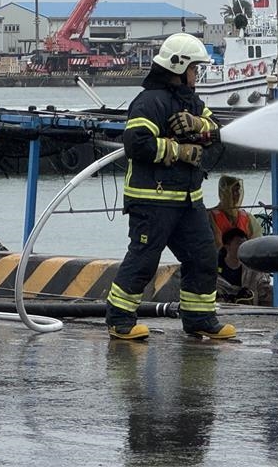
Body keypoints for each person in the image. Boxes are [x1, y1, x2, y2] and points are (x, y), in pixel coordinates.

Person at [105, 32, 236, 341]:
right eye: (194, 69)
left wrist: (197, 124)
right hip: (152, 199)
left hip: (188, 200)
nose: (197, 75)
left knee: (203, 256)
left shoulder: (191, 102)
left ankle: (200, 318)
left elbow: (217, 130)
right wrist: (178, 151)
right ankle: (120, 319)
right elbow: (136, 142)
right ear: (178, 67)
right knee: (144, 259)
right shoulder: (150, 102)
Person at [216, 227, 271, 305]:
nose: (242, 247)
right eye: (238, 243)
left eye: (245, 244)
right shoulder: (213, 272)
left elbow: (265, 292)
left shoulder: (254, 271)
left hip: (252, 315)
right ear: (227, 246)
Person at [208, 175, 263, 249]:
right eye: (232, 191)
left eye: (238, 190)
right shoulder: (210, 216)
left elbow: (257, 242)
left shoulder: (248, 217)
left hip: (242, 258)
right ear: (224, 193)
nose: (237, 194)